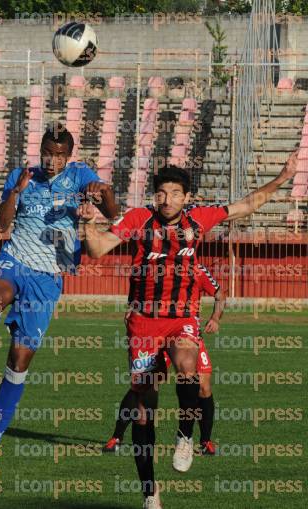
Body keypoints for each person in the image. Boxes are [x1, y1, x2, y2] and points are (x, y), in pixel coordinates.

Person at [78, 155, 297, 509]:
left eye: (175, 193)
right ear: (155, 196)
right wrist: (87, 224)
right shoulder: (138, 219)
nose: (167, 200)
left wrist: (283, 176)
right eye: (161, 193)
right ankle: (150, 491)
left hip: (182, 318)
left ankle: (184, 435)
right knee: (144, 408)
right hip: (144, 323)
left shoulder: (200, 219)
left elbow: (246, 205)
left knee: (187, 365)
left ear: (186, 197)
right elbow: (98, 249)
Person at [0, 123, 118, 481]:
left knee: (18, 363)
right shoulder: (23, 175)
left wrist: (102, 192)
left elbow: (112, 212)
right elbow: (1, 227)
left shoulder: (81, 174)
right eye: (47, 154)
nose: (52, 162)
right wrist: (15, 194)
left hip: (48, 277)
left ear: (69, 156)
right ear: (40, 152)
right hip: (15, 259)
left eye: (59, 156)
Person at [103, 263, 226, 457]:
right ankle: (116, 436)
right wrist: (133, 306)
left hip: (185, 334)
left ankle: (204, 441)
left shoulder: (198, 269)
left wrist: (216, 318)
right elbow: (139, 286)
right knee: (145, 384)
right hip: (155, 331)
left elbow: (220, 295)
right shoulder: (155, 266)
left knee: (203, 385)